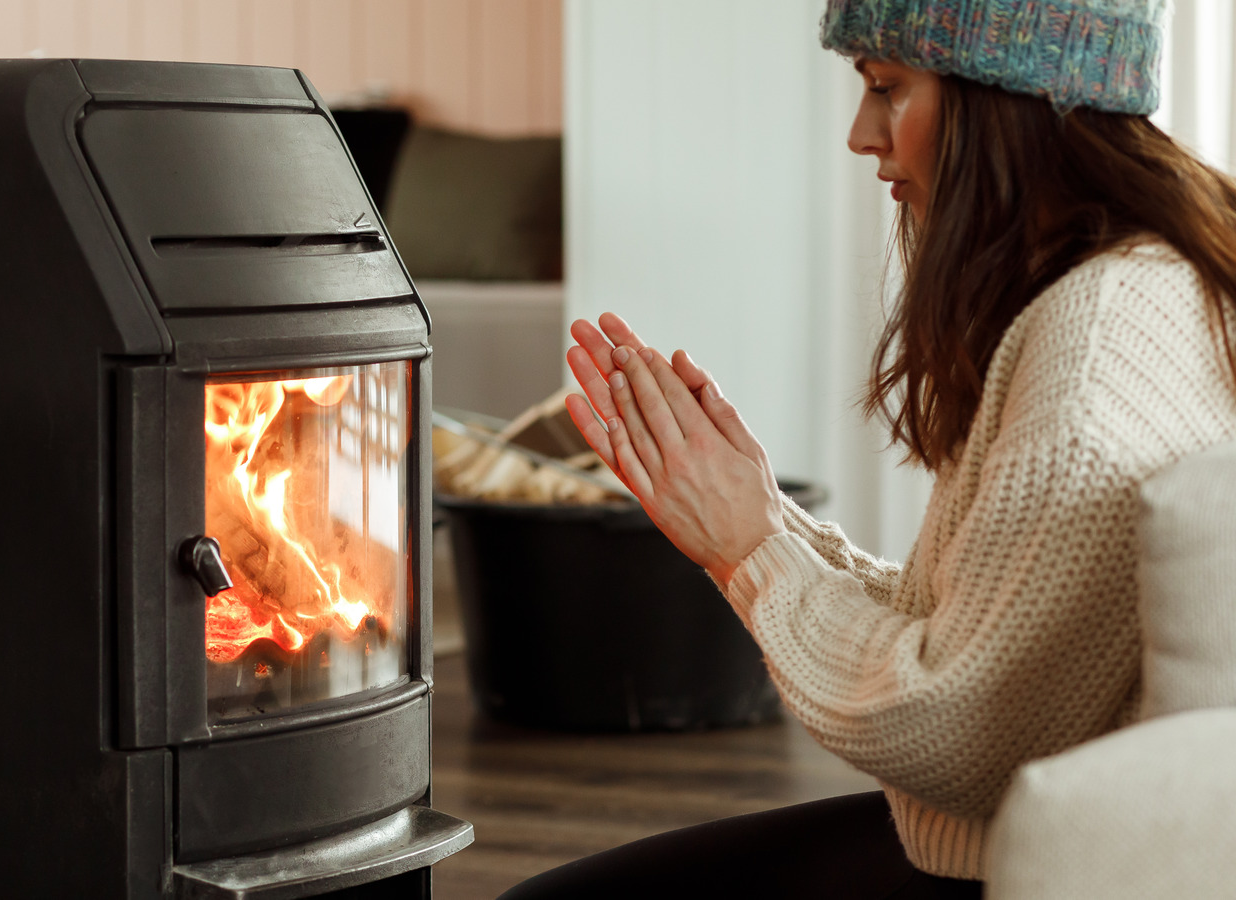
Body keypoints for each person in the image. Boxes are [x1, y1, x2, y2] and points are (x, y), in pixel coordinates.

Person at [499, 0, 1236, 897]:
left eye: (888, 88)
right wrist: (769, 519)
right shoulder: (1144, 283)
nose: (860, 135)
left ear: (1008, 96)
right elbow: (981, 631)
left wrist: (749, 552)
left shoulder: (1092, 347)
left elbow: (959, 728)